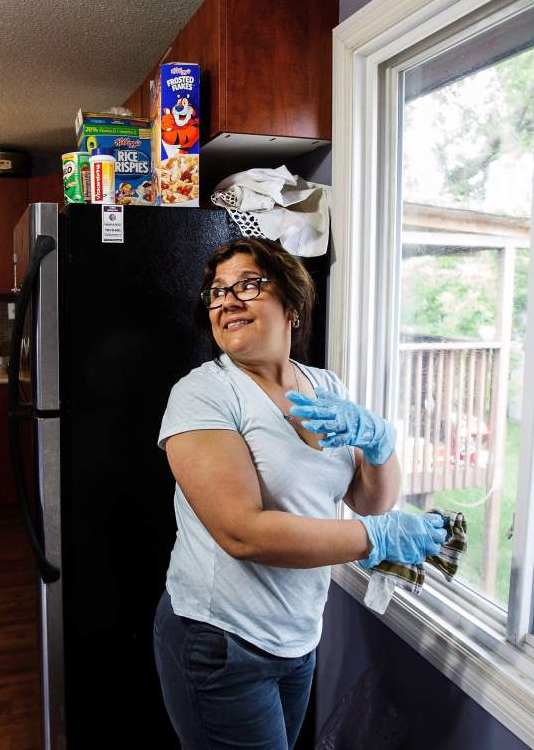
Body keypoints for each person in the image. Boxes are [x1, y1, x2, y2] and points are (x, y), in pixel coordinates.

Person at [153, 237, 447, 750]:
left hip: (298, 635)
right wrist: (372, 538)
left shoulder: (325, 386)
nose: (227, 301)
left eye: (248, 284)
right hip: (221, 640)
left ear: (291, 304)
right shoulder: (204, 394)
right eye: (217, 292)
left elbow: (370, 501)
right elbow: (242, 533)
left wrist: (379, 444)